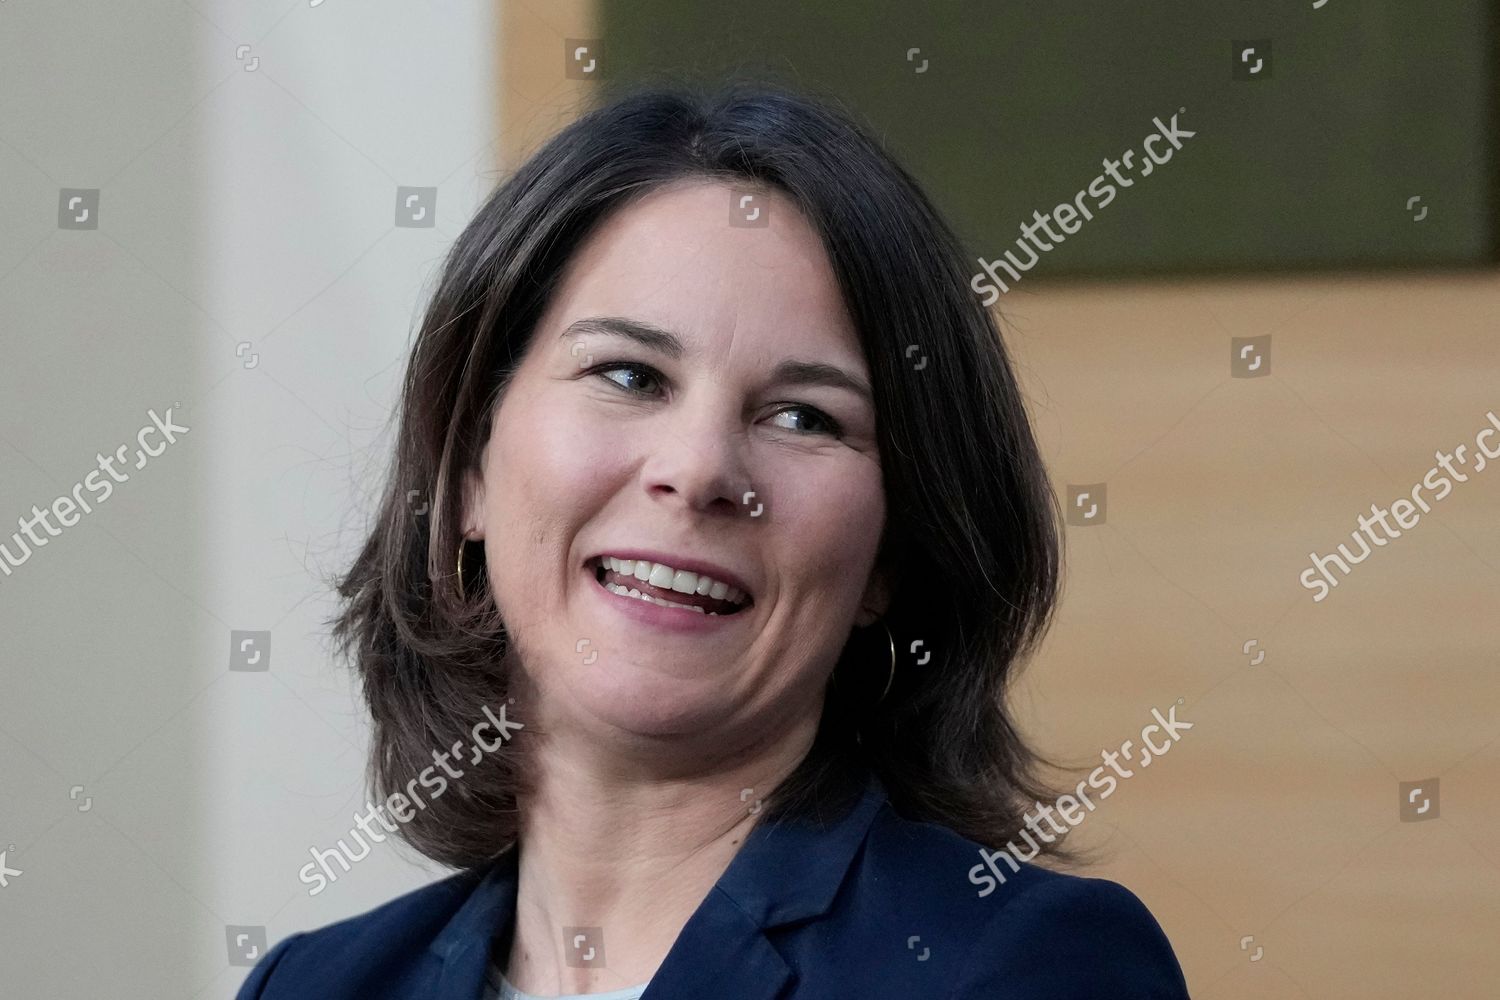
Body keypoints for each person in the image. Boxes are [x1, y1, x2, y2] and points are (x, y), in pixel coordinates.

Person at [237, 81, 1190, 1000]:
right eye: (629, 375)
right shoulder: (315, 985)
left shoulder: (1023, 967)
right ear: (468, 468)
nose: (698, 471)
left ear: (891, 557)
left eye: (804, 418)